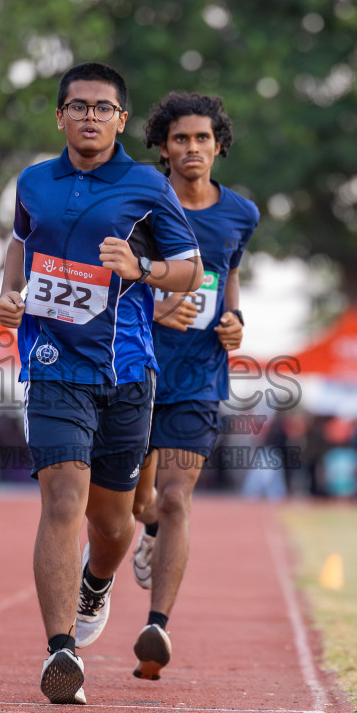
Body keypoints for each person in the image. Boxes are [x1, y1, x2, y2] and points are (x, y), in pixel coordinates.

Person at [0, 61, 202, 705]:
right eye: (78, 106)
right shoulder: (33, 181)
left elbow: (189, 271)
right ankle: (62, 650)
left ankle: (95, 583)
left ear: (119, 119)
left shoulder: (144, 186)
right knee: (62, 499)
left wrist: (140, 266)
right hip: (54, 363)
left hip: (126, 371)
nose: (90, 116)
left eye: (102, 108)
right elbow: (18, 242)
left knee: (111, 525)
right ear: (60, 116)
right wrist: (10, 293)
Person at [127, 91, 259, 680]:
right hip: (134, 368)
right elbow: (117, 279)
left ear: (219, 146)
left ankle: (158, 626)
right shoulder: (140, 205)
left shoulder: (240, 214)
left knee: (178, 497)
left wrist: (233, 321)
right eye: (180, 139)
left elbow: (228, 277)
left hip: (199, 377)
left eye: (202, 138)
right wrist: (157, 308)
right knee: (140, 502)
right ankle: (146, 527)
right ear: (162, 148)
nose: (192, 149)